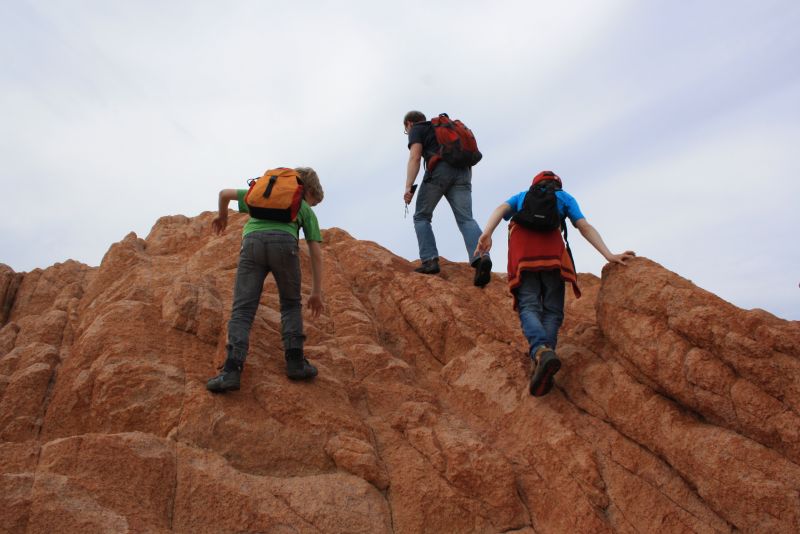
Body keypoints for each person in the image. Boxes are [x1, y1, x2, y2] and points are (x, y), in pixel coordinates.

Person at [474, 170, 635, 396]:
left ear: (536, 184)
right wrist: (608, 254)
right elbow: (584, 227)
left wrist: (487, 233)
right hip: (552, 257)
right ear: (557, 185)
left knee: (529, 305)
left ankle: (540, 352)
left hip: (524, 256)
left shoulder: (523, 196)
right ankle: (545, 352)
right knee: (552, 311)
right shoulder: (564, 198)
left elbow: (501, 209)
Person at [206, 167, 325, 393]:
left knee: (242, 310)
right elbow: (316, 253)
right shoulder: (303, 207)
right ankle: (295, 363)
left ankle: (231, 370)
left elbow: (223, 194)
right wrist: (317, 292)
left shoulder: (265, 193)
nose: (312, 205)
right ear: (307, 190)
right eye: (314, 201)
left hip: (252, 244)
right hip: (284, 245)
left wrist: (222, 217)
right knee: (290, 304)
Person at [403, 110, 492, 286]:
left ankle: (430, 260)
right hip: (464, 172)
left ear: (409, 124)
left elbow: (415, 157)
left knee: (421, 216)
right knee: (466, 219)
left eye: (406, 130)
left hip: (439, 170)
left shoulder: (417, 129)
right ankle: (481, 258)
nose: (407, 134)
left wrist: (408, 187)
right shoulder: (443, 129)